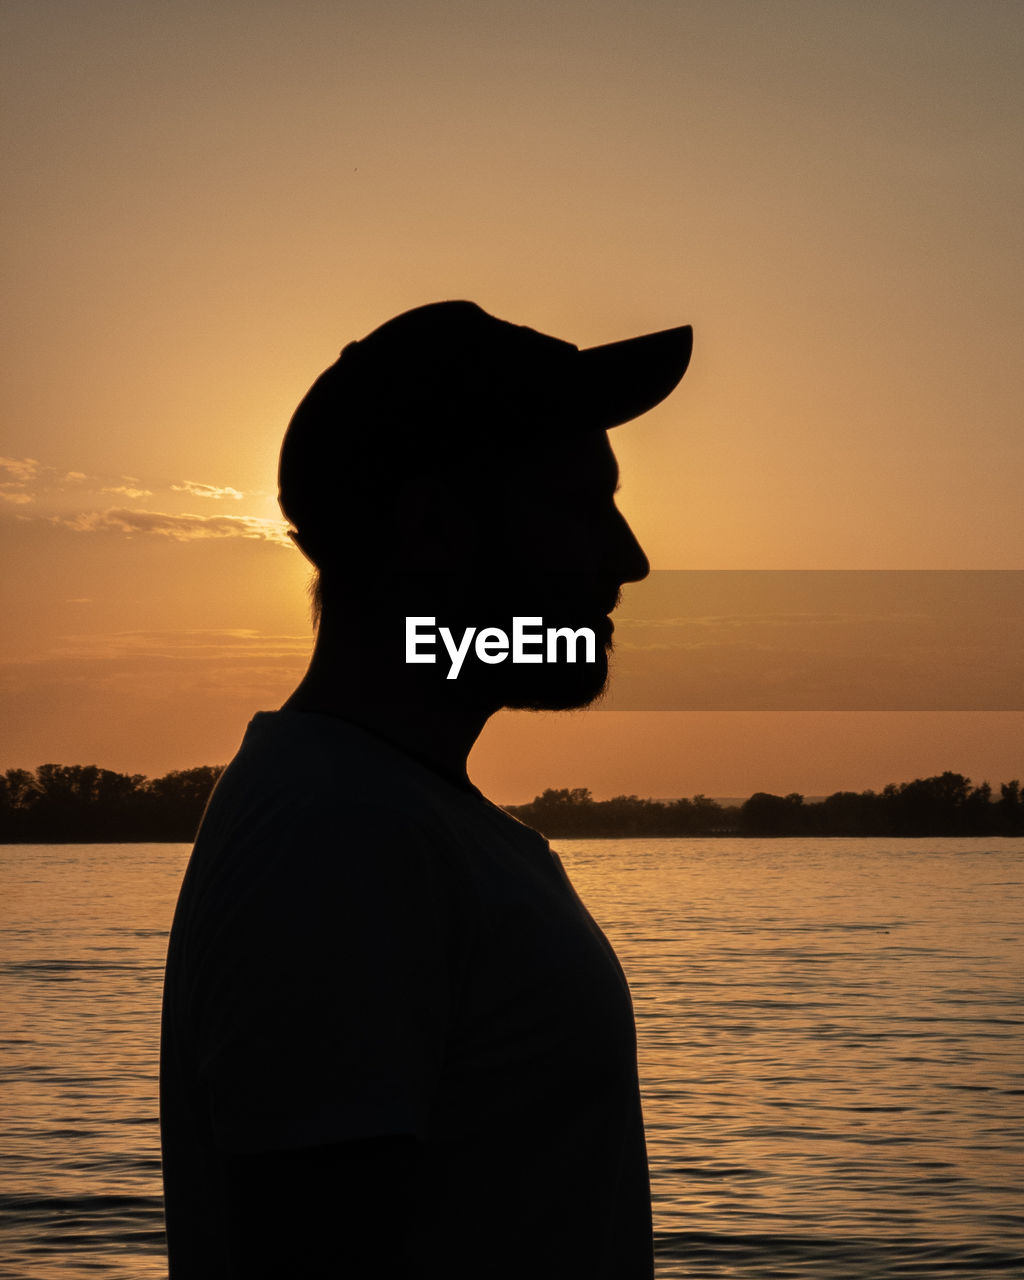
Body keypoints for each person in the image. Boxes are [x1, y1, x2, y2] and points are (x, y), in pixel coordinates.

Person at [160, 300, 692, 1278]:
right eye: (581, 505)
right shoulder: (342, 838)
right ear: (436, 528)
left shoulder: (385, 818)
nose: (628, 558)